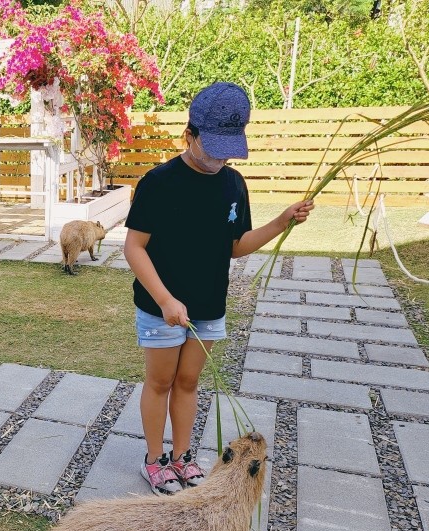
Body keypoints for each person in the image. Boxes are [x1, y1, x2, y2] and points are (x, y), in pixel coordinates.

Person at [123, 82, 314, 495]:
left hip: (209, 304)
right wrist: (165, 299)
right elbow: (134, 248)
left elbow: (235, 247)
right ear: (189, 136)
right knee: (160, 382)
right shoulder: (158, 182)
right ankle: (154, 460)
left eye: (227, 151)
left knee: (189, 382)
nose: (219, 159)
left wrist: (282, 221)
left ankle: (182, 457)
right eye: (211, 149)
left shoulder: (233, 185)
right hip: (161, 306)